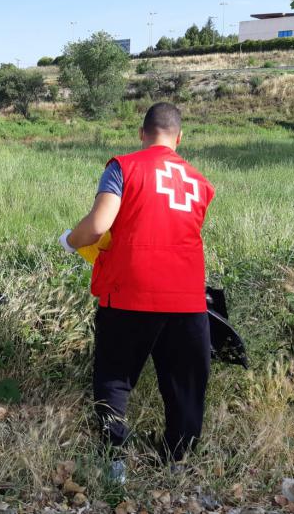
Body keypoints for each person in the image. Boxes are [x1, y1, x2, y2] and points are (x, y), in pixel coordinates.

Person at [58, 102, 215, 477]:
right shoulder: (200, 182)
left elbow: (98, 226)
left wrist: (70, 240)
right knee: (185, 384)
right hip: (187, 298)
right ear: (180, 138)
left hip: (130, 292)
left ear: (142, 134)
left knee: (115, 377)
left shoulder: (123, 167)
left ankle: (115, 462)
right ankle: (176, 461)